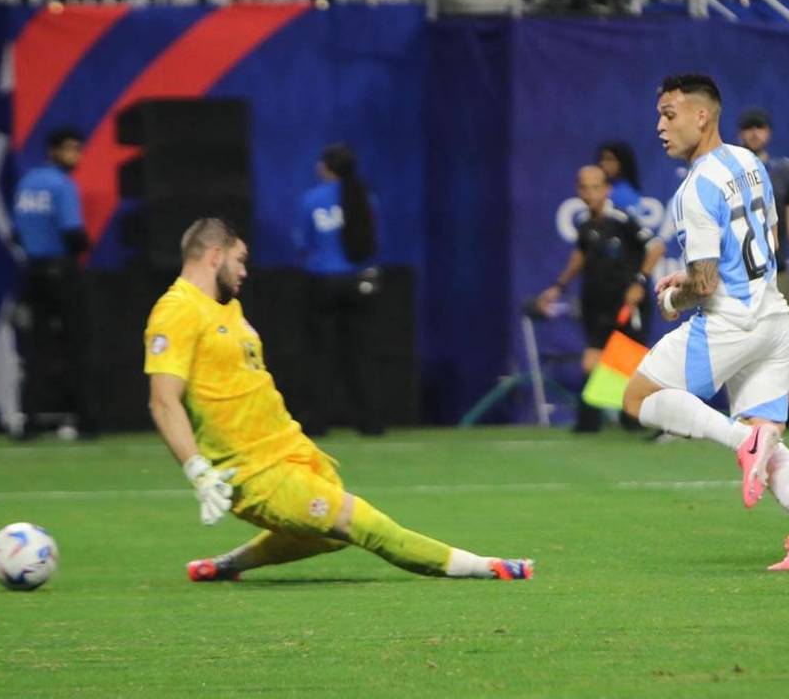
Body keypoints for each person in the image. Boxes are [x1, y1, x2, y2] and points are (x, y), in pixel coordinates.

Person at [145, 218, 534, 582]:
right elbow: (163, 401)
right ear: (215, 255)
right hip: (254, 472)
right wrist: (197, 469)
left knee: (328, 535)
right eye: (240, 260)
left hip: (291, 450)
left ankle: (226, 566)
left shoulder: (227, 304)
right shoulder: (176, 310)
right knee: (360, 522)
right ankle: (486, 567)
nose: (245, 271)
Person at [621, 73, 789, 571]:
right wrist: (698, 273)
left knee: (637, 399)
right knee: (768, 437)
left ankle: (741, 442)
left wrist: (673, 299)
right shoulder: (749, 161)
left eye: (669, 114)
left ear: (702, 115)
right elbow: (772, 244)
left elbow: (705, 286)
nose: (660, 126)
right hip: (773, 320)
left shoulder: (694, 189)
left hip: (730, 324)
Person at [536, 165, 665, 432]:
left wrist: (639, 282)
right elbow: (580, 255)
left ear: (607, 189)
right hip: (597, 304)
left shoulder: (622, 219)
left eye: (596, 187)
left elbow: (655, 247)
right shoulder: (585, 224)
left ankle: (640, 418)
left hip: (627, 303)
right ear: (578, 191)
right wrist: (559, 285)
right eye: (585, 187)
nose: (590, 193)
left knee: (631, 362)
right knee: (592, 361)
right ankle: (590, 424)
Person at [11, 127, 94, 440]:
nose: (76, 156)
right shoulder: (62, 186)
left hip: (32, 272)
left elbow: (16, 234)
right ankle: (83, 420)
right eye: (71, 149)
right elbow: (74, 234)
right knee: (77, 345)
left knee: (35, 348)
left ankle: (30, 420)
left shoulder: (27, 184)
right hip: (62, 273)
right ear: (54, 151)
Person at [737, 107, 789, 429]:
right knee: (743, 334)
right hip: (742, 269)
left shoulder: (782, 171)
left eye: (760, 127)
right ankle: (748, 405)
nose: (754, 134)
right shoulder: (733, 169)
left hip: (777, 266)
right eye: (749, 128)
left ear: (768, 132)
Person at [293, 144, 382, 436]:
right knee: (360, 351)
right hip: (358, 282)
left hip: (322, 281)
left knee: (320, 353)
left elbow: (302, 243)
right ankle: (369, 419)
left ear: (326, 168)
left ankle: (317, 420)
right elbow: (372, 242)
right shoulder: (365, 197)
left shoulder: (312, 200)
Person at [596, 140, 644, 216]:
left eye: (609, 159)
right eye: (602, 159)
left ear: (622, 163)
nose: (603, 164)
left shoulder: (625, 195)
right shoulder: (607, 189)